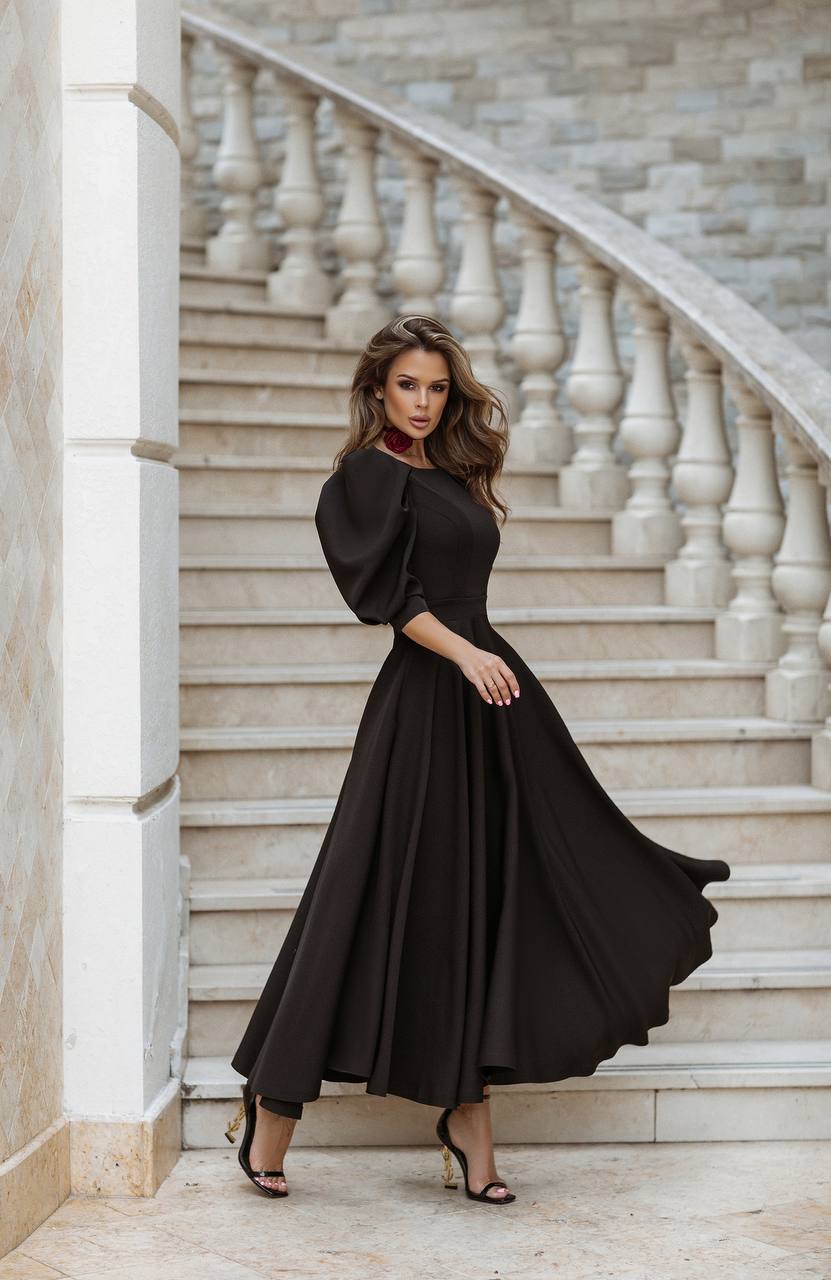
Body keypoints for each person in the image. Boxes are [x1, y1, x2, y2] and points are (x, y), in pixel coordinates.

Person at [224, 314, 731, 1206]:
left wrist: (478, 659)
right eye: (407, 386)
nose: (422, 403)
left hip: (491, 697)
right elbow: (391, 599)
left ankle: (467, 1114)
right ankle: (275, 1101)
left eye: (436, 388)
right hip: (427, 700)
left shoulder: (453, 472)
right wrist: (462, 655)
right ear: (378, 389)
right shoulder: (363, 477)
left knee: (495, 893)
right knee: (362, 895)